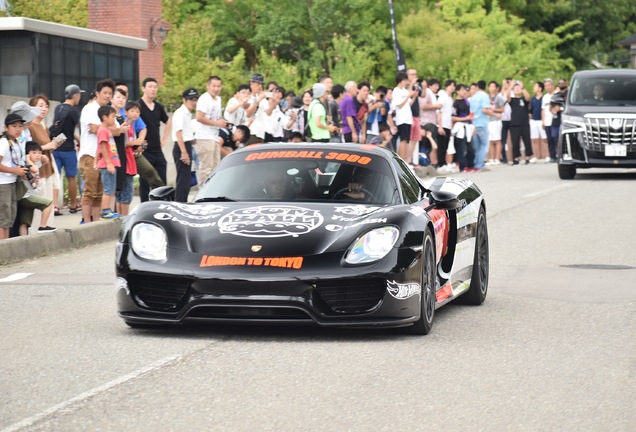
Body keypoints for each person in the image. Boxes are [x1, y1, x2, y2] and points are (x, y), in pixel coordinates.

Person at [79, 78, 116, 223]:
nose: (107, 96)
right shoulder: (90, 109)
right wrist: (110, 127)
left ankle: (96, 222)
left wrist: (111, 128)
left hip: (102, 156)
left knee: (99, 192)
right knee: (90, 190)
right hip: (89, 154)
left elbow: (118, 131)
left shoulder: (109, 111)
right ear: (97, 93)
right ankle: (87, 222)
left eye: (110, 93)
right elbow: (94, 129)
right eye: (105, 93)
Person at [51, 84, 83, 214]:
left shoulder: (58, 108)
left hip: (56, 146)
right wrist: (79, 139)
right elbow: (80, 126)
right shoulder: (74, 111)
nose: (80, 98)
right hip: (68, 149)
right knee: (71, 178)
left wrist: (75, 137)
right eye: (79, 95)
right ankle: (73, 205)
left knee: (56, 177)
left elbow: (62, 129)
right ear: (75, 95)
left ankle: (55, 206)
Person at [138, 77, 171, 202]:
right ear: (143, 88)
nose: (153, 89)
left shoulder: (158, 107)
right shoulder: (138, 105)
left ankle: (162, 206)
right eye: (150, 86)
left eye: (155, 87)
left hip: (157, 149)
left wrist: (164, 139)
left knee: (162, 180)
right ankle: (144, 207)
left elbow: (168, 121)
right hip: (144, 150)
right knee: (145, 182)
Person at [0, 114, 30, 240]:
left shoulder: (16, 142)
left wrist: (21, 172)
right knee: (3, 218)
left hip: (11, 182)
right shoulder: (4, 143)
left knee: (9, 218)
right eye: (14, 126)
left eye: (20, 126)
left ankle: (7, 247)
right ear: (6, 127)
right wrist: (14, 171)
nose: (18, 129)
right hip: (3, 184)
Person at [17, 141, 55, 234]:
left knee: (25, 222)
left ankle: (23, 241)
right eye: (34, 152)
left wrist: (41, 156)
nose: (37, 155)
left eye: (39, 153)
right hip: (26, 196)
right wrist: (28, 159)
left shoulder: (35, 163)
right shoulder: (25, 162)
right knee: (48, 203)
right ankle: (43, 226)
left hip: (28, 195)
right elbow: (34, 169)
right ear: (27, 154)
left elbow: (46, 161)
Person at [196, 75, 228, 184]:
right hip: (204, 137)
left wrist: (222, 123)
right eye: (213, 86)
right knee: (206, 168)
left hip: (214, 136)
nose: (216, 89)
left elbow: (216, 117)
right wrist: (217, 123)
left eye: (218, 86)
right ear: (208, 86)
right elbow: (199, 117)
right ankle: (202, 194)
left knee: (216, 167)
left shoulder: (218, 99)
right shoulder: (204, 98)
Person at [172, 88, 199, 202]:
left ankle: (183, 201)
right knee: (183, 180)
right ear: (184, 100)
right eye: (190, 99)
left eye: (195, 99)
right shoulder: (181, 113)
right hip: (181, 147)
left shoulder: (187, 113)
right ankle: (180, 203)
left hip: (186, 144)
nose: (193, 102)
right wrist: (184, 152)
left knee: (186, 179)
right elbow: (178, 133)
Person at [95, 105, 122, 219]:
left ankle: (108, 210)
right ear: (104, 117)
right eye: (112, 117)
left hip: (111, 163)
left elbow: (99, 148)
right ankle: (105, 211)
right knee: (108, 189)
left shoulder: (106, 130)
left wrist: (96, 161)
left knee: (111, 189)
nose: (114, 119)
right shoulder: (102, 130)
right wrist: (108, 163)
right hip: (107, 164)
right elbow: (102, 146)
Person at [506, 81, 535, 165]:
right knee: (515, 141)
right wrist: (510, 87)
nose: (517, 90)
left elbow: (528, 97)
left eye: (518, 88)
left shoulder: (523, 99)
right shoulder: (512, 100)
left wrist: (522, 88)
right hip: (514, 123)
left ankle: (527, 157)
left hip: (524, 123)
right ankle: (516, 157)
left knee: (527, 141)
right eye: (515, 89)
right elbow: (507, 96)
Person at [469, 80, 494, 171]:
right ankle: (480, 165)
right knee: (484, 145)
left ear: (477, 87)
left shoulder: (473, 97)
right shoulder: (485, 96)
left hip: (475, 123)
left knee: (477, 146)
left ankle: (476, 164)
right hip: (482, 123)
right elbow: (485, 110)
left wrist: (473, 124)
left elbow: (471, 113)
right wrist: (496, 115)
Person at [393, 71, 417, 163]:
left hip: (408, 119)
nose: (406, 81)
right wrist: (408, 96)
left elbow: (408, 104)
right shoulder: (396, 91)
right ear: (401, 80)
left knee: (406, 141)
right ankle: (401, 161)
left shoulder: (404, 90)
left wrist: (413, 97)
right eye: (405, 80)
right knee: (403, 140)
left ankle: (401, 161)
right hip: (401, 119)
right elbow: (399, 105)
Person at [245, 73, 269, 144]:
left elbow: (268, 112)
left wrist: (273, 100)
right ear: (251, 84)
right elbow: (248, 114)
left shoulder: (262, 99)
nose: (260, 86)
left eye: (261, 84)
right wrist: (258, 100)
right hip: (250, 131)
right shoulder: (247, 97)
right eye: (258, 84)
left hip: (260, 133)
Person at [529, 82, 547, 161]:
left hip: (542, 120)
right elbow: (530, 110)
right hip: (534, 120)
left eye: (535, 87)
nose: (534, 88)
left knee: (545, 139)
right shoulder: (533, 99)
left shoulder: (544, 97)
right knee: (534, 139)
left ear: (540, 88)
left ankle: (547, 155)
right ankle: (535, 156)